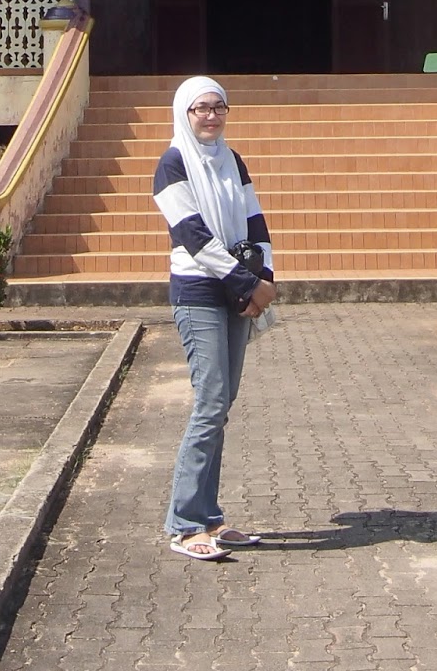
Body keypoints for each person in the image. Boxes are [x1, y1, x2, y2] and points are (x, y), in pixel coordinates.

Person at [152, 74, 277, 561]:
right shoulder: (171, 163)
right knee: (209, 402)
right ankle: (184, 524)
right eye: (201, 108)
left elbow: (255, 221)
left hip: (238, 289)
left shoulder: (232, 159)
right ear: (185, 113)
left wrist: (265, 273)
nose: (211, 116)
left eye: (219, 108)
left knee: (221, 405)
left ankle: (209, 517)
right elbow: (192, 235)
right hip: (199, 290)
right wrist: (248, 284)